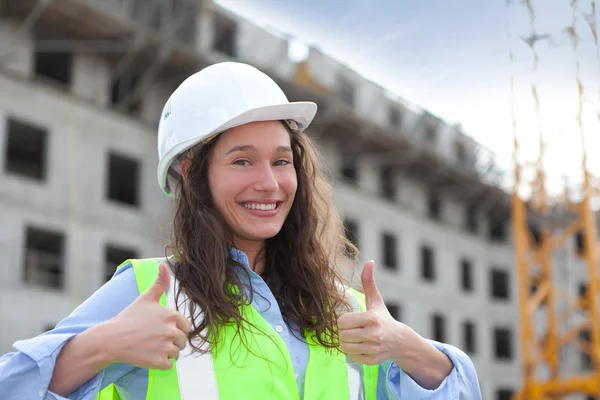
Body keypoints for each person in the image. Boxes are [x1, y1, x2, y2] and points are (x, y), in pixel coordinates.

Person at [0, 62, 482, 400]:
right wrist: (102, 346)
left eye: (281, 160)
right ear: (192, 173)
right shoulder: (149, 295)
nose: (269, 183)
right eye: (242, 161)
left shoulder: (348, 312)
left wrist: (406, 346)